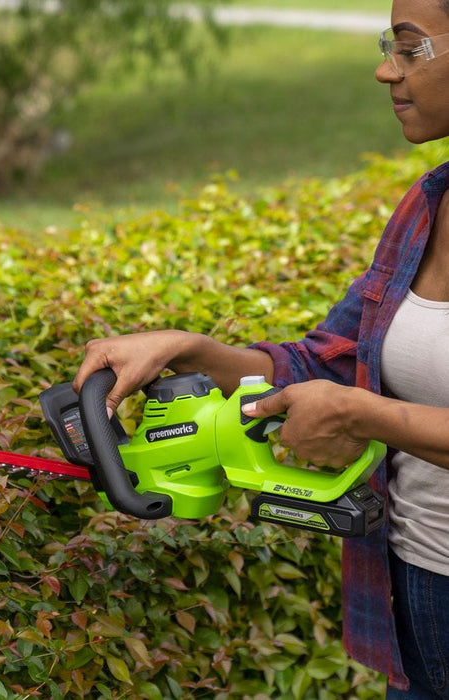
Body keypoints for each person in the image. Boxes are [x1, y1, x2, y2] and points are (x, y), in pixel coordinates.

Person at [72, 0, 449, 696]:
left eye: (409, 48)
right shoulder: (425, 207)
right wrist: (194, 351)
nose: (384, 71)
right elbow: (329, 361)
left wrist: (362, 415)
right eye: (386, 47)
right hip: (417, 591)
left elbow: (352, 401)